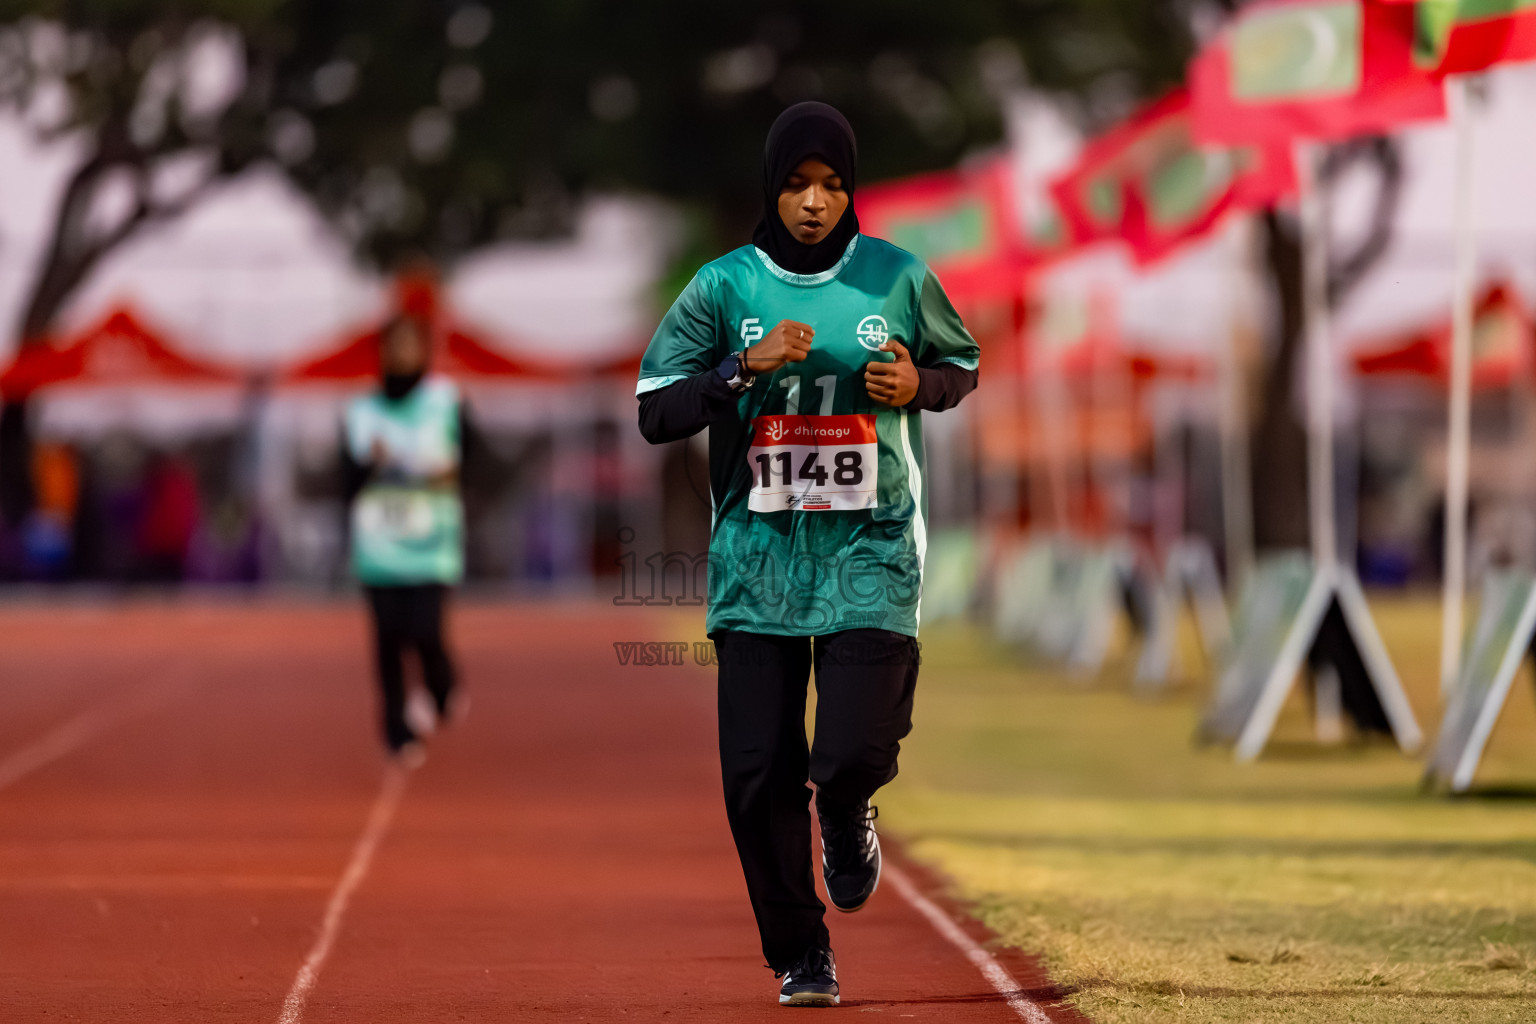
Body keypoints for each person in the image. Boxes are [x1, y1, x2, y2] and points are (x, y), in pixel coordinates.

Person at [635, 102, 980, 1007]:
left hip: (872, 550)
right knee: (756, 774)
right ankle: (801, 951)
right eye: (797, 186)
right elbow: (655, 410)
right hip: (759, 564)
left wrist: (919, 382)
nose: (815, 202)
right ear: (773, 190)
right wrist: (737, 371)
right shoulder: (723, 288)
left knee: (854, 746)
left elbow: (963, 366)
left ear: (851, 190)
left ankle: (847, 806)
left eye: (831, 185)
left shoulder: (898, 277)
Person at [342, 312, 474, 763]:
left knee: (425, 631)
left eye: (408, 345)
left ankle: (442, 684)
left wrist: (451, 475)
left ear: (422, 352)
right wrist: (370, 464)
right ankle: (396, 730)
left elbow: (478, 462)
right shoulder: (361, 412)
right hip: (379, 546)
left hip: (432, 545)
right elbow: (344, 482)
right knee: (388, 639)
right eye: (392, 346)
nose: (399, 355)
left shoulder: (447, 403)